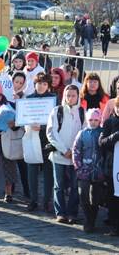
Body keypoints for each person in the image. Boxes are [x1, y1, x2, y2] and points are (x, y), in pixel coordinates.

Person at [47, 84, 85, 224]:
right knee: (59, 185)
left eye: (73, 95)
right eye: (68, 95)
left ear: (77, 96)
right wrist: (64, 150)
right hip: (59, 155)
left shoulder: (82, 112)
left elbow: (83, 132)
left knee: (75, 186)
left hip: (75, 157)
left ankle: (72, 213)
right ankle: (60, 212)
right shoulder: (57, 111)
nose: (70, 98)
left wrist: (74, 151)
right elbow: (51, 133)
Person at [26, 72, 56, 212]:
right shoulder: (28, 98)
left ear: (48, 86)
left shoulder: (53, 99)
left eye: (44, 84)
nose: (41, 86)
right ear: (35, 84)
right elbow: (23, 118)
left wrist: (43, 127)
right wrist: (29, 124)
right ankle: (33, 200)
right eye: (39, 83)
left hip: (47, 140)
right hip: (32, 138)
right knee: (32, 171)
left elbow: (55, 120)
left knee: (48, 172)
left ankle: (47, 201)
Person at [72, 108, 104, 233]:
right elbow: (76, 150)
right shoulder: (82, 133)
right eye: (91, 119)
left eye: (96, 120)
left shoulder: (102, 133)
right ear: (87, 120)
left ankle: (92, 220)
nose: (93, 122)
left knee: (95, 198)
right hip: (84, 170)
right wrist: (78, 167)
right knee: (83, 195)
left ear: (100, 119)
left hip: (98, 171)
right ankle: (87, 219)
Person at [99, 97, 119, 236]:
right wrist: (115, 136)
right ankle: (114, 226)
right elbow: (101, 142)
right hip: (112, 166)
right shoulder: (109, 122)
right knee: (112, 197)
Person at [10, 71, 29, 198]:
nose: (18, 85)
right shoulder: (6, 95)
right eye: (16, 82)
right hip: (9, 133)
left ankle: (27, 191)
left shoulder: (26, 97)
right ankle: (9, 190)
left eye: (21, 83)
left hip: (22, 133)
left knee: (23, 165)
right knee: (10, 163)